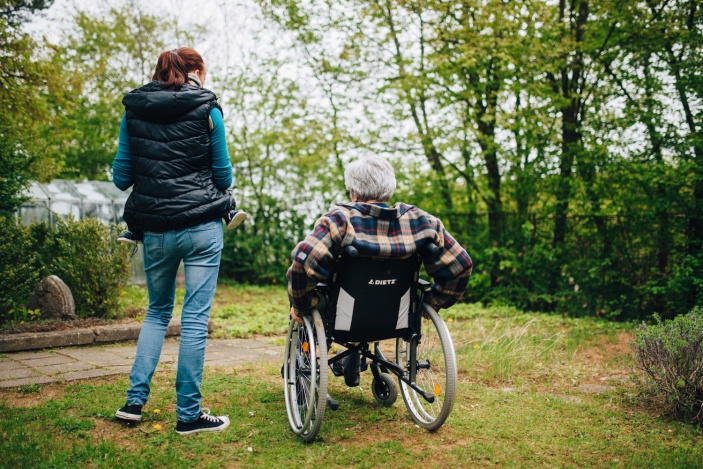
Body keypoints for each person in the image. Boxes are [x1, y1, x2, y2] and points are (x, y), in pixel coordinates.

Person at [112, 47, 232, 435]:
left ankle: (134, 402)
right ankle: (188, 416)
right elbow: (224, 177)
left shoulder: (134, 111)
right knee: (195, 319)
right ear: (195, 71)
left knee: (157, 312)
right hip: (202, 226)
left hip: (157, 230)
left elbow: (121, 178)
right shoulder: (209, 109)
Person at [287, 155, 473, 386]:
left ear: (353, 192)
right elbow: (461, 265)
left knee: (309, 299)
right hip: (396, 318)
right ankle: (353, 363)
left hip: (341, 318)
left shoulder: (338, 221)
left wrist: (301, 304)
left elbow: (304, 263)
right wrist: (435, 300)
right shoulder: (422, 222)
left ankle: (304, 363)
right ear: (389, 191)